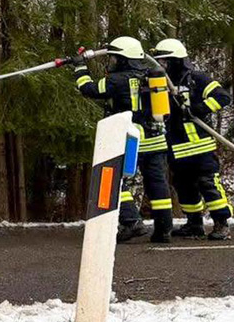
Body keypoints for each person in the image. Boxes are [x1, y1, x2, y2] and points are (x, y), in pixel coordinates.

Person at [74, 36, 173, 243]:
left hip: (131, 140)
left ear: (123, 59)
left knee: (116, 180)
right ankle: (164, 230)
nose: (112, 62)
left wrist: (79, 67)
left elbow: (89, 89)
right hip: (156, 139)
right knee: (157, 184)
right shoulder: (151, 75)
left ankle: (131, 221)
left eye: (114, 58)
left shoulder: (117, 80)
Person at [152, 38, 234, 240]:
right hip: (176, 147)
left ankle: (221, 223)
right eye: (159, 61)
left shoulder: (196, 79)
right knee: (183, 186)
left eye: (164, 61)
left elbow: (223, 97)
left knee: (208, 184)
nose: (161, 65)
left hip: (200, 146)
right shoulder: (158, 84)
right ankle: (194, 224)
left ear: (177, 60)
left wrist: (199, 108)